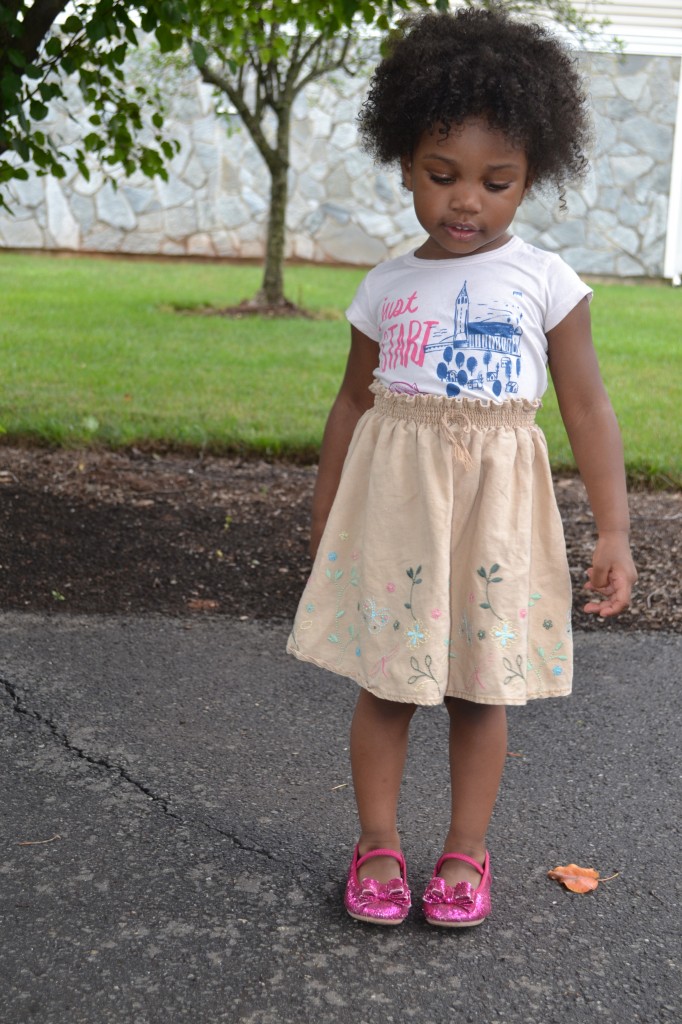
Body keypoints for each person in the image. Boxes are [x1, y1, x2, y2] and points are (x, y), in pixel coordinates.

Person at [287, 6, 636, 928]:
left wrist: (615, 530)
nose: (466, 202)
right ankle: (378, 844)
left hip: (493, 518)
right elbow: (353, 402)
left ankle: (465, 852)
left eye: (497, 181)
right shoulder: (385, 287)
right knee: (387, 682)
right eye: (442, 177)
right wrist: (327, 512)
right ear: (405, 162)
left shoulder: (546, 282)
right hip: (399, 511)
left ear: (532, 179)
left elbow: (587, 406)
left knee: (477, 691)